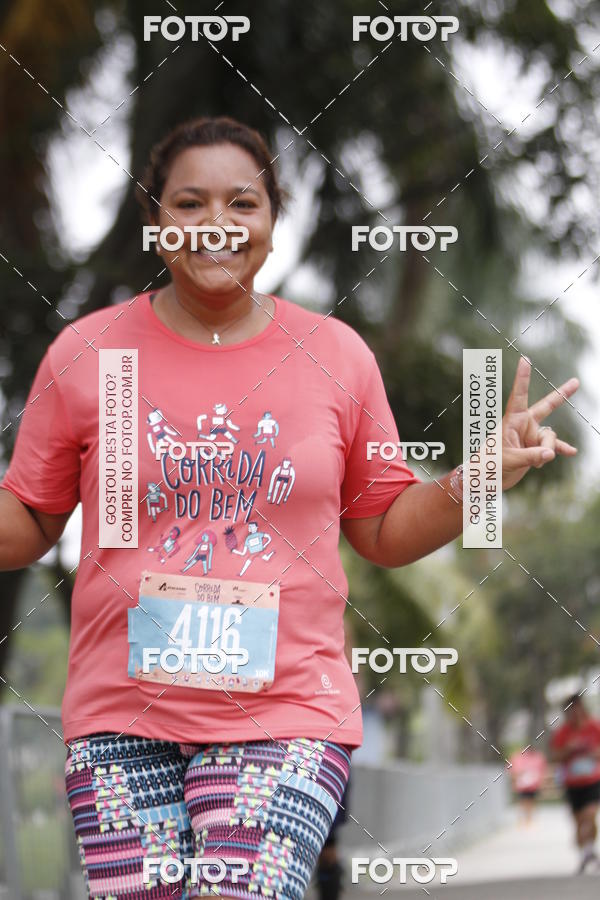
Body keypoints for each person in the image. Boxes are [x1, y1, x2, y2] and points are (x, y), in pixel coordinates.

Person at [0, 115, 579, 900]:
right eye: (189, 203)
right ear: (154, 221)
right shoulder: (89, 354)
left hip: (286, 712)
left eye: (243, 204)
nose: (216, 225)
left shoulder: (335, 355)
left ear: (274, 222)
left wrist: (478, 478)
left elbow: (381, 528)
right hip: (119, 718)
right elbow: (29, 522)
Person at [551, 694, 600, 874]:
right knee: (579, 823)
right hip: (573, 783)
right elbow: (555, 756)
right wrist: (569, 750)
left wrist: (592, 753)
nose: (575, 713)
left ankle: (589, 849)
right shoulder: (562, 732)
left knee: (591, 815)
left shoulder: (594, 727)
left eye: (578, 708)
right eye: (571, 710)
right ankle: (585, 853)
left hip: (593, 780)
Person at [508, 746, 548, 827]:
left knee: (530, 801)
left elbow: (542, 770)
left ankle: (528, 819)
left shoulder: (537, 757)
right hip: (522, 785)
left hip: (532, 785)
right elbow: (513, 771)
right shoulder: (517, 757)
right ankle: (523, 819)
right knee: (523, 802)